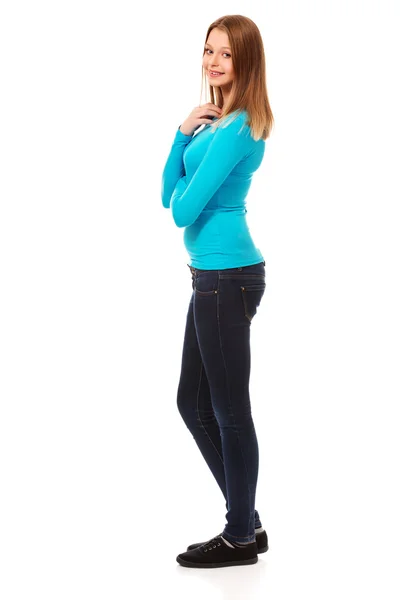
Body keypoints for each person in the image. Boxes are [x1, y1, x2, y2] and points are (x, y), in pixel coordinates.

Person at [161, 14, 274, 569]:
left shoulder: (241, 127)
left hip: (228, 279)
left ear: (245, 60)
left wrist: (185, 173)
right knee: (192, 401)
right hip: (209, 279)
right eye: (208, 50)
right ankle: (246, 518)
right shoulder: (212, 122)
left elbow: (183, 207)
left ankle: (238, 537)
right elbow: (167, 196)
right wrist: (182, 132)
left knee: (229, 411)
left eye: (225, 54)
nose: (212, 61)